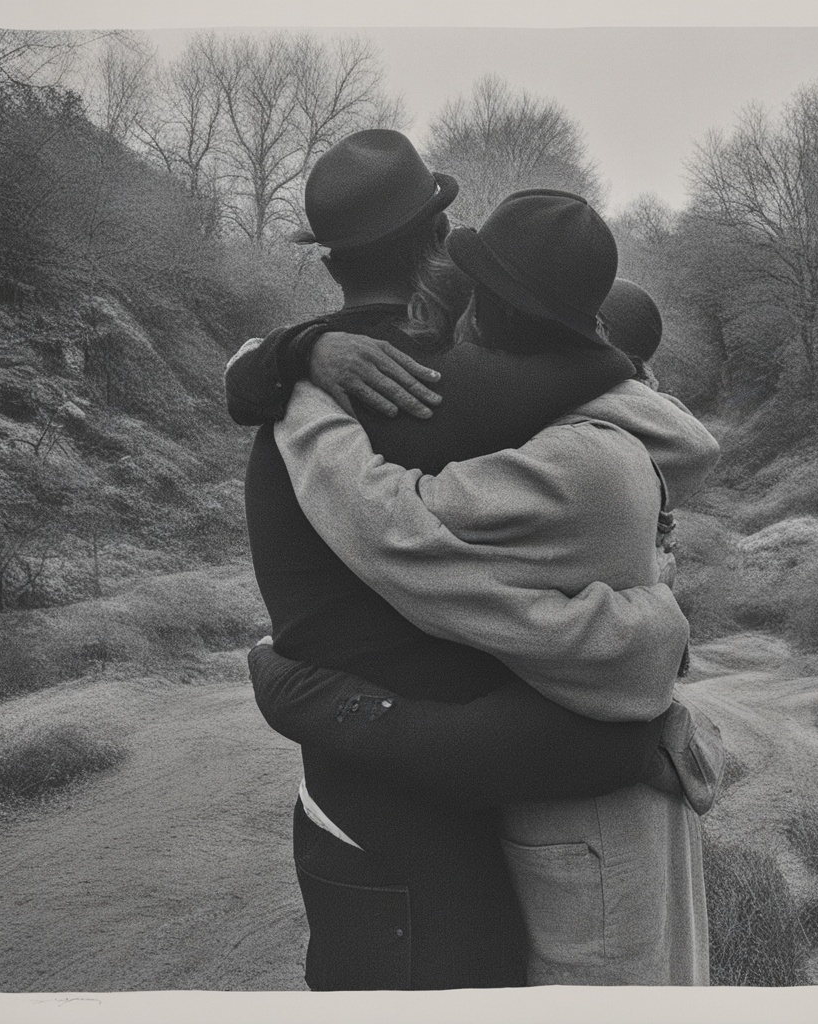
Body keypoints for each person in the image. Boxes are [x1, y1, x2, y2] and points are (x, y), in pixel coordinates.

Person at [230, 132, 706, 990]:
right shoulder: (462, 395)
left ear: (328, 259)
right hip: (448, 810)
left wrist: (291, 355)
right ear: (437, 240)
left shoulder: (293, 406)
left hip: (344, 803)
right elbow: (666, 426)